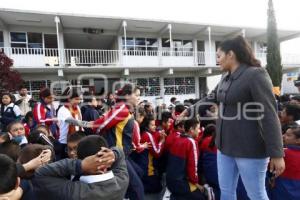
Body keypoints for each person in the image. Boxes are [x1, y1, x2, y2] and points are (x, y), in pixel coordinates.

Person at [178, 36, 285, 200]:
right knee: (226, 191)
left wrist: (277, 153)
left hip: (250, 149)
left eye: (219, 56)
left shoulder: (255, 74)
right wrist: (189, 111)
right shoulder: (225, 77)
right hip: (224, 147)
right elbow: (211, 97)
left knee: (256, 194)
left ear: (231, 54)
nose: (217, 61)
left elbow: (269, 115)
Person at [32, 135, 129, 200]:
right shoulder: (122, 180)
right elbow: (120, 153)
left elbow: (41, 173)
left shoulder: (76, 192)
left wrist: (81, 165)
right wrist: (114, 154)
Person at [92, 84, 145, 200]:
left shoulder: (127, 110)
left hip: (123, 154)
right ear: (126, 96)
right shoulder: (122, 109)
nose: (138, 98)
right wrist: (103, 141)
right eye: (136, 95)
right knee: (137, 189)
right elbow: (99, 126)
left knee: (139, 174)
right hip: (117, 155)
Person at [166, 118, 205, 200]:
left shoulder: (177, 138)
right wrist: (196, 184)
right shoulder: (191, 143)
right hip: (181, 184)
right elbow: (192, 168)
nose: (199, 131)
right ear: (191, 129)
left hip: (170, 182)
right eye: (198, 128)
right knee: (201, 196)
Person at [267, 126, 300, 199]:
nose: (283, 136)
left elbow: (269, 168)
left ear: (298, 140)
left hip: (282, 189)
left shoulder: (282, 154)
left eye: (288, 135)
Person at [136, 114, 165, 194]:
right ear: (147, 126)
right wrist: (161, 142)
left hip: (142, 168)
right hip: (148, 171)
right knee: (158, 188)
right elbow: (157, 153)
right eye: (152, 125)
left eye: (155, 124)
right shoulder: (148, 135)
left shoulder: (142, 132)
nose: (155, 126)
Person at [57, 87, 82, 159]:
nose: (79, 101)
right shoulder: (63, 109)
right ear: (69, 99)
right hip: (65, 142)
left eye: (79, 99)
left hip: (77, 140)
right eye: (76, 99)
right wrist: (88, 124)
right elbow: (73, 121)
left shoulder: (77, 108)